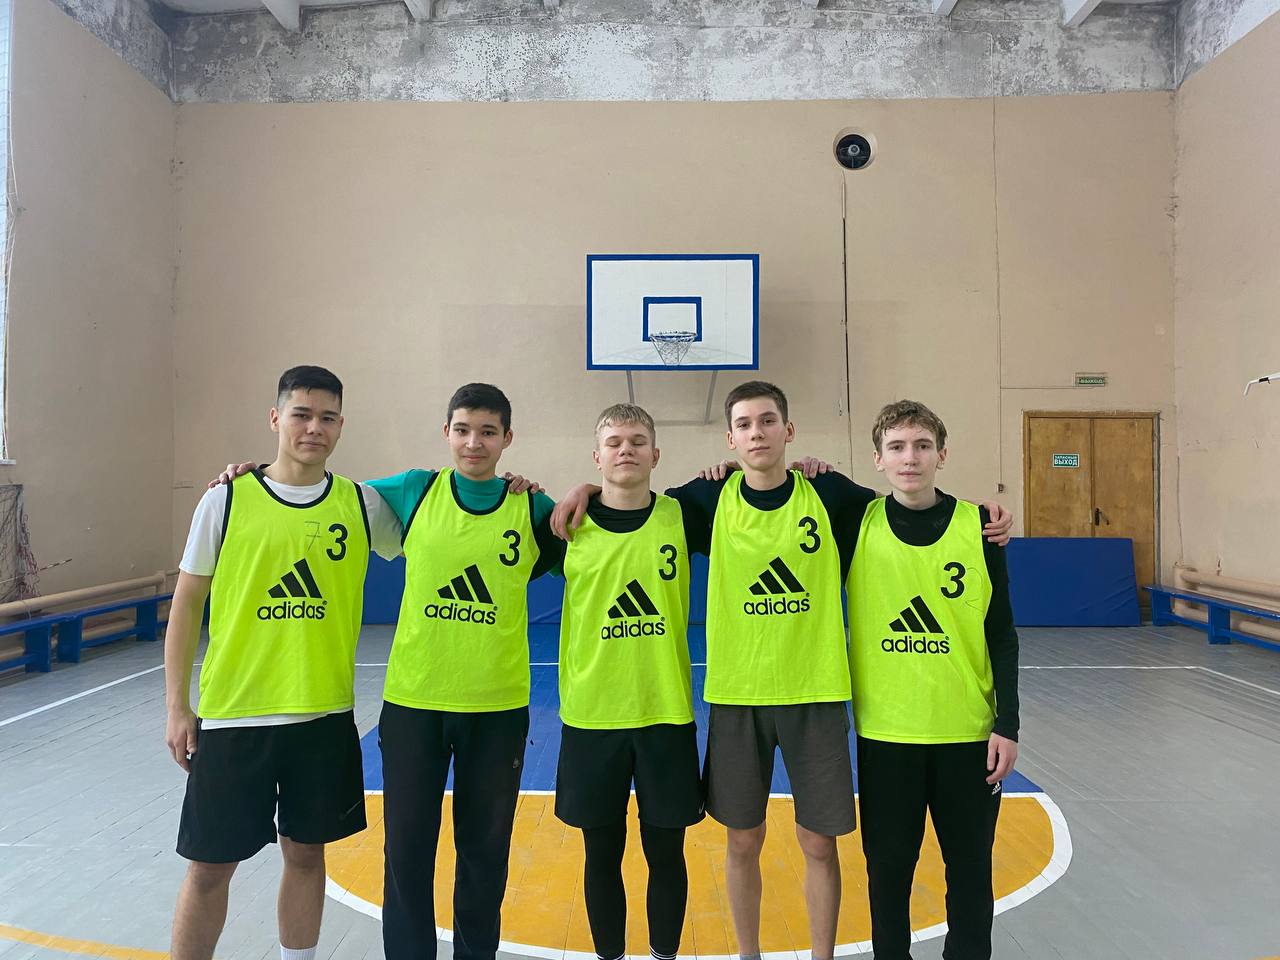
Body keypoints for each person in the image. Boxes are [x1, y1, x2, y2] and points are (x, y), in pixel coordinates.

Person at [554, 381, 1013, 960]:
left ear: (788, 430)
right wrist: (586, 488)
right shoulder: (707, 499)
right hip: (737, 696)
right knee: (742, 841)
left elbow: (911, 500)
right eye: (745, 424)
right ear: (730, 438)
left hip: (815, 696)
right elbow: (632, 495)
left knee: (818, 844)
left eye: (768, 421)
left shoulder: (831, 495)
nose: (758, 433)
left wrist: (983, 518)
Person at [164, 365, 402, 960]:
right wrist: (177, 707)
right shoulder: (226, 498)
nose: (313, 428)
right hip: (234, 716)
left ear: (341, 425)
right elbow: (187, 604)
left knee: (307, 855)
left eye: (327, 417)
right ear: (275, 418)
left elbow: (443, 526)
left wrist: (519, 489)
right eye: (301, 414)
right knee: (210, 867)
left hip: (323, 717)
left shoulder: (362, 503)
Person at [368, 383, 561, 960]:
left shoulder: (533, 508)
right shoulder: (415, 491)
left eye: (487, 432)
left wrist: (583, 490)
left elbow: (596, 528)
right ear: (446, 433)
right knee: (406, 850)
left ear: (508, 438)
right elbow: (319, 494)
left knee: (484, 851)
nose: (474, 442)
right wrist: (256, 474)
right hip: (414, 704)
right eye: (462, 430)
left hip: (496, 708)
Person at [846, 399, 1019, 960]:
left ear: (942, 455)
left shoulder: (979, 527)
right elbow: (780, 481)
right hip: (886, 733)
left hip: (967, 734)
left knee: (969, 871)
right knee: (887, 872)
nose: (910, 458)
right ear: (878, 459)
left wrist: (1008, 723)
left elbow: (1002, 633)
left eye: (922, 446)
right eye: (896, 447)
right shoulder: (858, 523)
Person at [545, 403, 706, 960]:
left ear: (656, 454)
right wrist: (575, 491)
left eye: (637, 441)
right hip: (593, 717)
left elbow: (752, 482)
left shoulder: (683, 514)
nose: (626, 450)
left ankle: (665, 954)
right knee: (601, 855)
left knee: (667, 854)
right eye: (614, 442)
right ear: (597, 457)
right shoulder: (567, 525)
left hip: (665, 714)